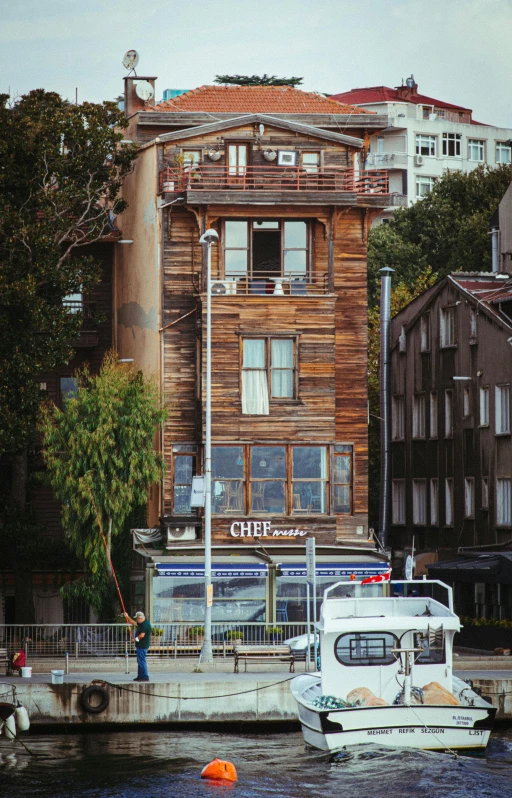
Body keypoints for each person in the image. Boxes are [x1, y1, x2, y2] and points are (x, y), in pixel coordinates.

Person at [124, 610, 152, 682]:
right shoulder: (142, 623)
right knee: (140, 661)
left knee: (142, 661)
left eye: (137, 618)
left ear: (140, 618)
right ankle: (140, 676)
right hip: (140, 645)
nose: (136, 620)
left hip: (143, 646)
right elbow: (133, 623)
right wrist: (127, 617)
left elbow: (142, 635)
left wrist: (135, 640)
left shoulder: (145, 625)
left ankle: (145, 676)